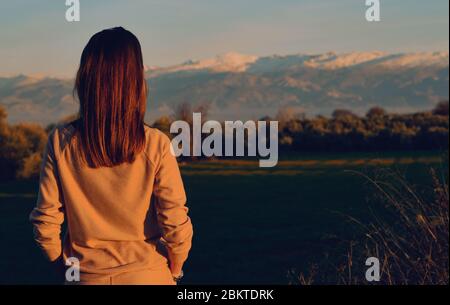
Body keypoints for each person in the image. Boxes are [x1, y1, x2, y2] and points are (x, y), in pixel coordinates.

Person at [29, 27, 193, 285]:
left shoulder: (61, 141)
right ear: (136, 81)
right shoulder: (157, 144)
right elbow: (175, 222)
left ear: (86, 79)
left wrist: (64, 270)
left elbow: (45, 222)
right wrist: (175, 269)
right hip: (149, 276)